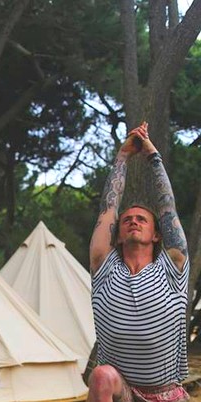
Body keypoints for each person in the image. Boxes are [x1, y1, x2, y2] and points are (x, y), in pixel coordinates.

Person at [88, 123, 190, 402]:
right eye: (127, 220)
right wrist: (122, 157)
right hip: (125, 391)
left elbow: (167, 207)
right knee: (101, 376)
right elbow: (108, 209)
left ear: (157, 234)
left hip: (166, 393)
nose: (133, 220)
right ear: (118, 235)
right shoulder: (104, 268)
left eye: (141, 219)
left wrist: (152, 156)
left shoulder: (173, 268)